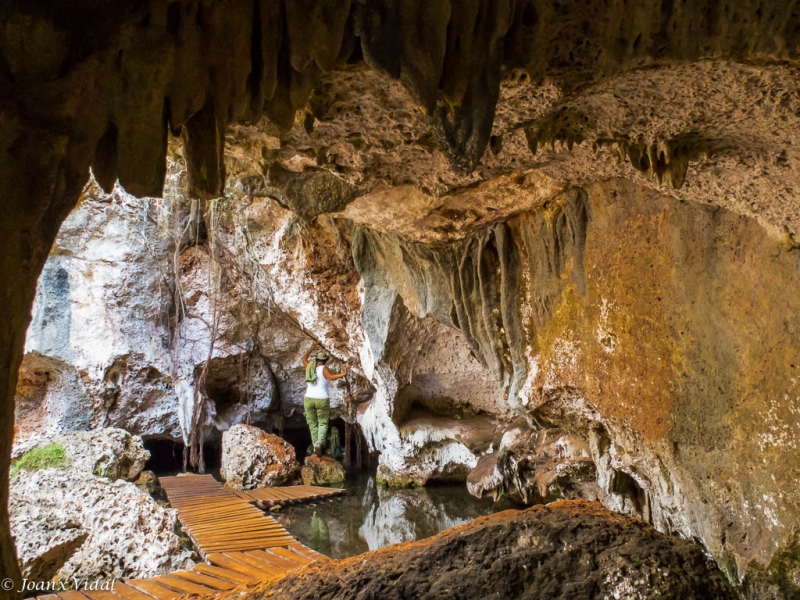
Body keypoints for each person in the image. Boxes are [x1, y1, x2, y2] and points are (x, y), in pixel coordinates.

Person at [302, 344, 348, 457]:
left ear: (317, 360)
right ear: (325, 361)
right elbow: (330, 377)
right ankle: (319, 445)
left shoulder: (309, 367)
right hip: (321, 398)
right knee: (322, 422)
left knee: (312, 424)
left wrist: (311, 348)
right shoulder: (324, 369)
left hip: (308, 398)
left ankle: (315, 445)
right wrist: (343, 373)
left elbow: (303, 358)